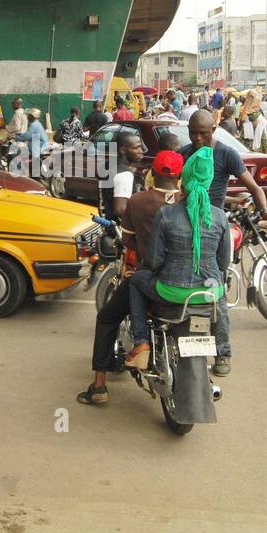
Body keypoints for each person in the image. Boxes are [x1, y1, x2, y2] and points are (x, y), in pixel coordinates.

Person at [79, 149, 185, 405]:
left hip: (150, 277)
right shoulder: (188, 200)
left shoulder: (138, 201)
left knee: (106, 318)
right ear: (180, 175)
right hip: (189, 278)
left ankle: (100, 386)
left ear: (153, 173)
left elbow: (127, 241)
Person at [179, 110, 267, 376]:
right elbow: (177, 191)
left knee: (215, 290)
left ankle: (222, 353)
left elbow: (255, 188)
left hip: (214, 230)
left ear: (214, 129)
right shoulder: (185, 153)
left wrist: (264, 210)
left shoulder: (227, 154)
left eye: (203, 133)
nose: (198, 138)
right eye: (193, 132)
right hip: (184, 227)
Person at [123, 146, 232, 372]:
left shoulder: (167, 214)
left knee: (135, 281)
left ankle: (141, 342)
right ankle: (223, 355)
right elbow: (223, 263)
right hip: (208, 293)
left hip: (170, 291)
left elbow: (154, 260)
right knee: (220, 293)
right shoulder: (220, 217)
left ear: (185, 179)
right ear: (209, 181)